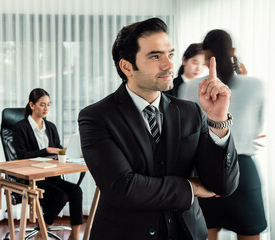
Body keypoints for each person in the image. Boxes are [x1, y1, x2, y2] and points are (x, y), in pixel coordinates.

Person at [78, 18, 239, 240]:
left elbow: (223, 185)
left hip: (188, 233)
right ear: (127, 66)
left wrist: (218, 120)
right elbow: (123, 189)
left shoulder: (191, 111)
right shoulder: (96, 117)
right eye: (155, 56)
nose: (169, 65)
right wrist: (189, 188)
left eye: (170, 54)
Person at [180, 29, 267, 240]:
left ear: (205, 54)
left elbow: (187, 132)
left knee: (205, 233)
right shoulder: (256, 85)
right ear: (233, 51)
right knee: (249, 234)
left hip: (204, 171)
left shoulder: (190, 87)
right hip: (242, 169)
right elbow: (257, 128)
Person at [13, 88, 83, 240]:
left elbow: (56, 150)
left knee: (76, 191)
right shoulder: (20, 128)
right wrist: (46, 150)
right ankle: (42, 232)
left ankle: (75, 235)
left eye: (48, 105)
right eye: (42, 105)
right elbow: (21, 156)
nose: (46, 109)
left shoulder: (50, 127)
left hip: (51, 176)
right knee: (60, 196)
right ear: (32, 105)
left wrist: (66, 151)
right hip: (31, 179)